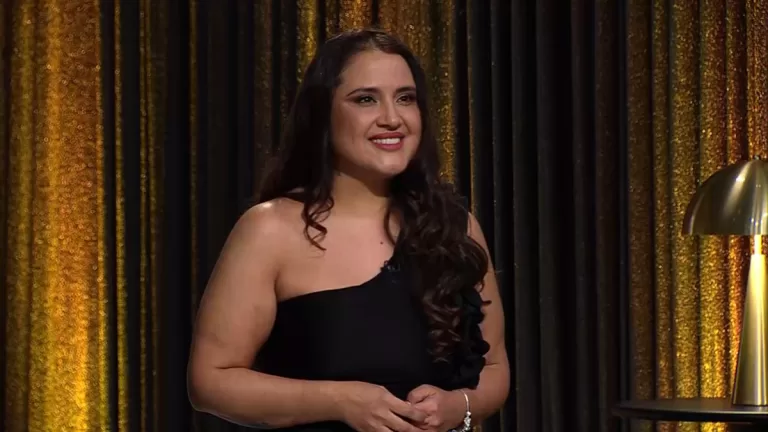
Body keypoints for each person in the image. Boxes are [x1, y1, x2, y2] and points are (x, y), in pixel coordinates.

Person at [187, 28, 509, 432]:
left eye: (405, 98)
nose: (392, 118)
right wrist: (341, 401)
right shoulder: (269, 230)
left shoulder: (456, 229)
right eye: (365, 99)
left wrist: (457, 406)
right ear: (323, 114)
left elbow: (494, 368)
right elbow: (211, 381)